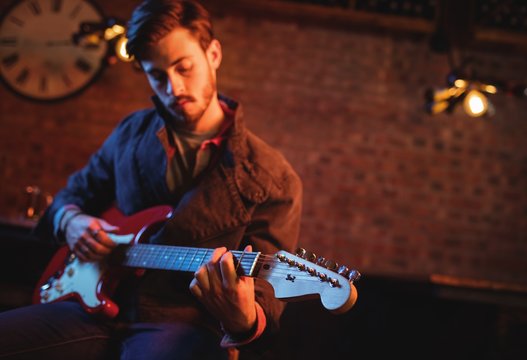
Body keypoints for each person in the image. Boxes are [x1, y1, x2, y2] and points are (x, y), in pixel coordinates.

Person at [0, 1, 302, 359]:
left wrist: (244, 320)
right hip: (89, 304)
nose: (173, 88)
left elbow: (266, 303)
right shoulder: (130, 132)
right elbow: (72, 196)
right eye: (157, 75)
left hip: (181, 325)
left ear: (214, 54)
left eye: (184, 68)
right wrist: (72, 222)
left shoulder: (275, 177)